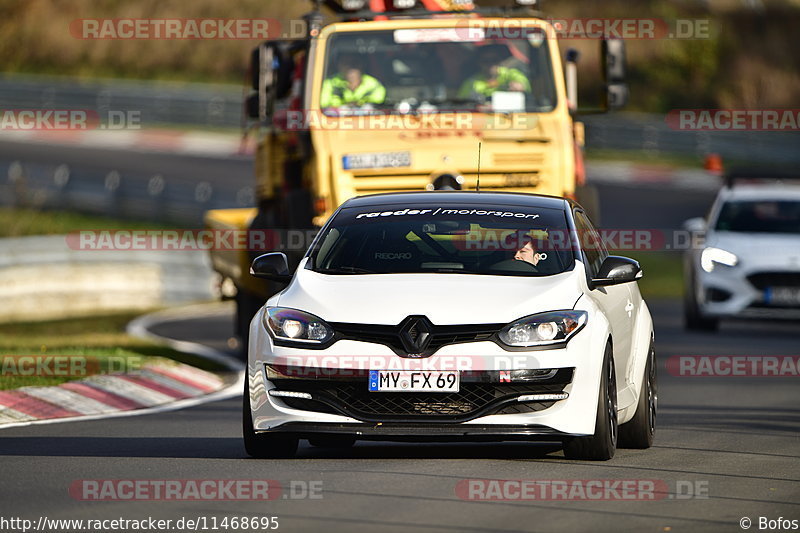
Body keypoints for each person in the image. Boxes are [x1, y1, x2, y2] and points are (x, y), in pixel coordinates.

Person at [458, 44, 531, 100]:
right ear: (478, 63)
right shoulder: (471, 83)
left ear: (500, 61)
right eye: (485, 61)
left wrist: (520, 86)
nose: (490, 64)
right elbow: (461, 103)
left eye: (494, 60)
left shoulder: (511, 74)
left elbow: (523, 83)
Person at [320, 53, 386, 108]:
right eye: (345, 63)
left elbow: (377, 105)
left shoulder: (374, 85)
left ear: (362, 65)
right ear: (338, 65)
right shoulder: (330, 83)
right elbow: (323, 104)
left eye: (354, 63)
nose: (350, 67)